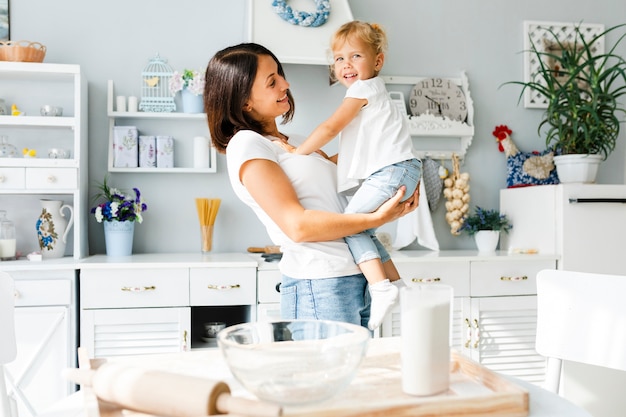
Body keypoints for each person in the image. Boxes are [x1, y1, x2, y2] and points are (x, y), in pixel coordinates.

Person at [203, 43, 419, 330]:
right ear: (245, 102)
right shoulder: (247, 144)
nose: (285, 83)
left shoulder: (294, 141)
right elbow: (298, 226)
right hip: (320, 284)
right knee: (330, 375)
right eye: (272, 81)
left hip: (357, 278)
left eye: (280, 74)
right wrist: (377, 218)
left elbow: (342, 190)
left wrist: (394, 170)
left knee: (357, 373)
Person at [277, 21, 422, 330]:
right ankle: (396, 285)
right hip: (400, 168)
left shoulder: (362, 90)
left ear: (378, 61)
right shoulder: (377, 96)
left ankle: (381, 288)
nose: (346, 65)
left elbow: (331, 127)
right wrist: (326, 160)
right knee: (362, 228)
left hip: (392, 171)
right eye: (339, 58)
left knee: (351, 226)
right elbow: (359, 150)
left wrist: (297, 152)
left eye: (355, 56)